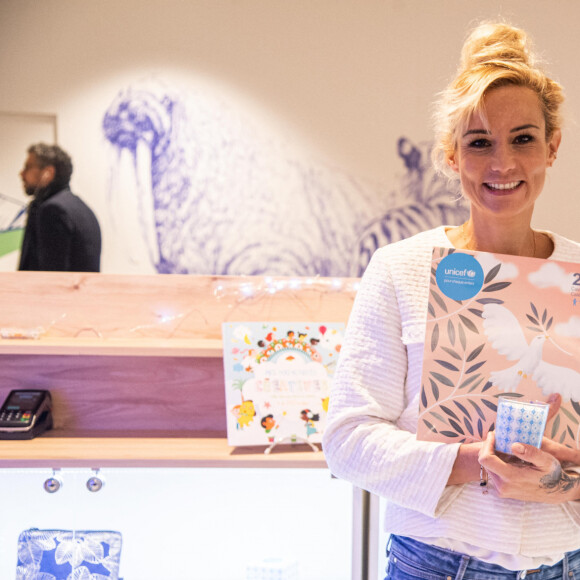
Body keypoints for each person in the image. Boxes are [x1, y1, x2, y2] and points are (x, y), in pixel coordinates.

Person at [322, 21, 580, 579]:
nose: (502, 164)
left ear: (552, 147)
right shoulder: (402, 268)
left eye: (523, 139)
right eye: (479, 142)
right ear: (451, 154)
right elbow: (346, 439)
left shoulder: (577, 276)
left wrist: (559, 481)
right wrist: (475, 466)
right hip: (436, 565)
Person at [18, 143, 101, 272]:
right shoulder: (79, 207)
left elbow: (51, 277)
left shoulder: (52, 210)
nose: (21, 174)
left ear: (48, 173)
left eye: (28, 167)